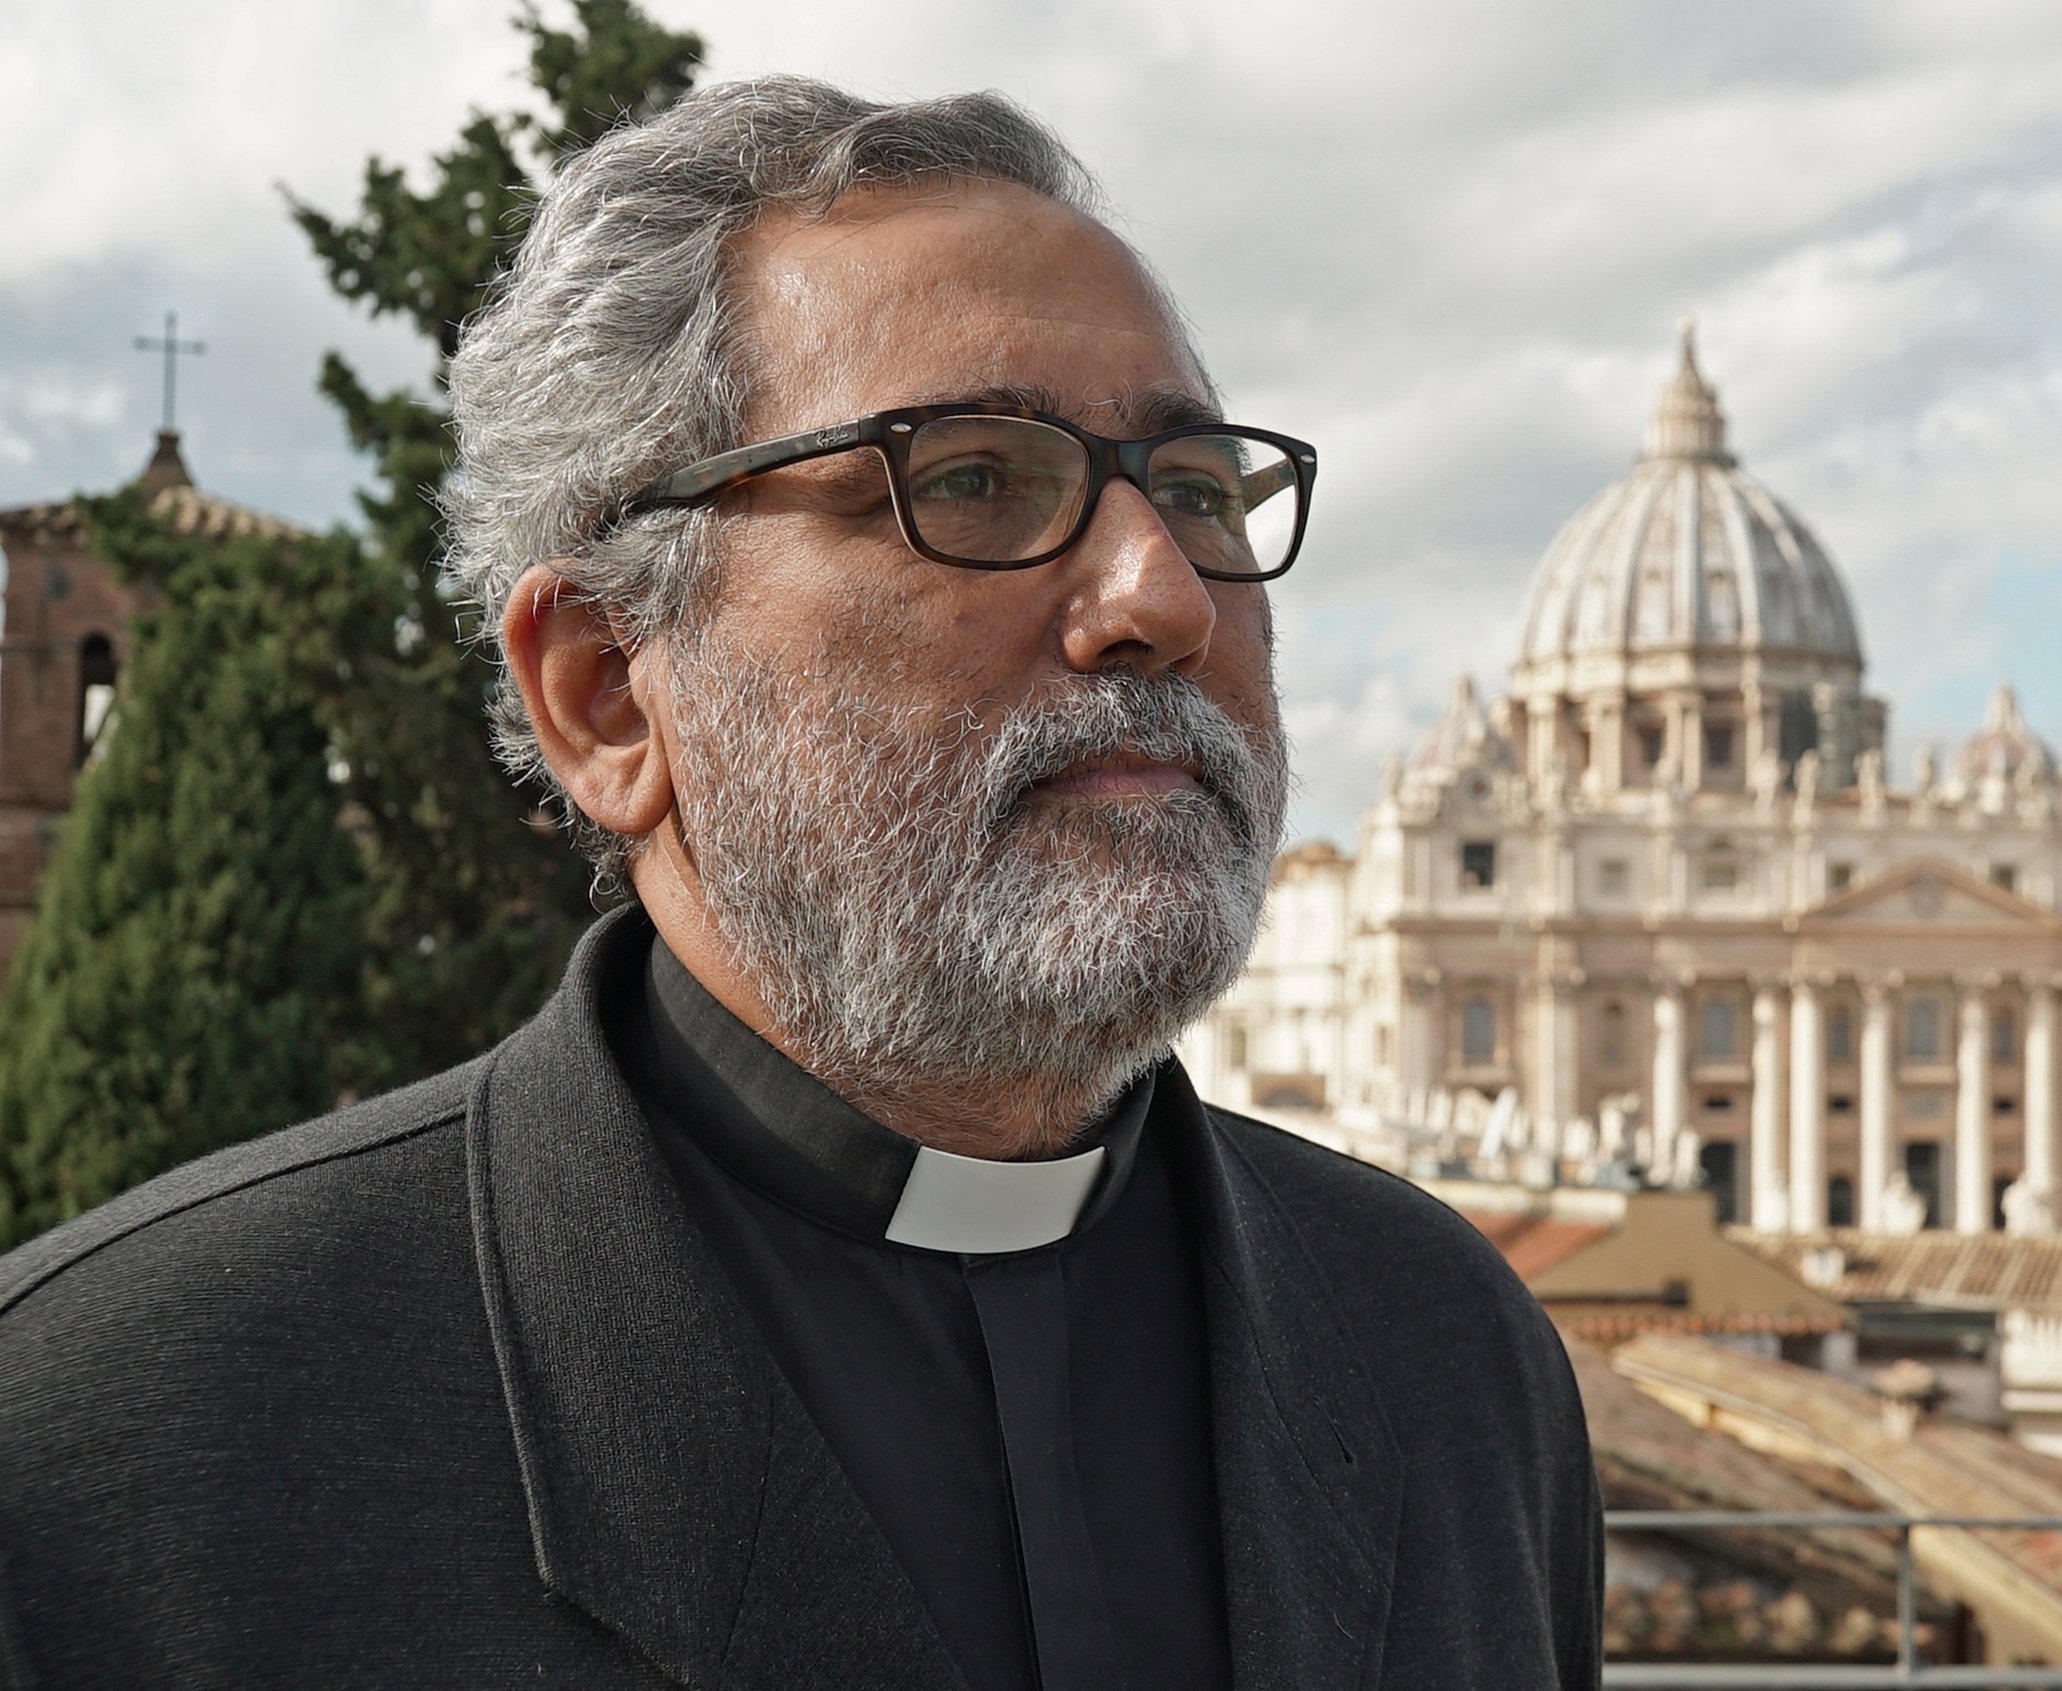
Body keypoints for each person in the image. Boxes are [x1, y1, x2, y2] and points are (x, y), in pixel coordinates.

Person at [0, 78, 1600, 1689]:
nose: (1163, 598)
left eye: (1193, 490)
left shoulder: (1448, 1357)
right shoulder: (111, 1449)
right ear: (610, 691)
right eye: (973, 479)